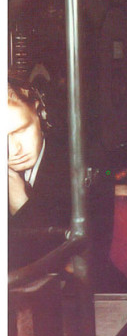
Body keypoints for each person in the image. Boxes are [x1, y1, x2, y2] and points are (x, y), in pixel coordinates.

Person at [8, 75, 71, 269]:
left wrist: (21, 205)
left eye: (20, 131)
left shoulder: (74, 165)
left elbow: (69, 263)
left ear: (40, 112)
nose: (13, 150)